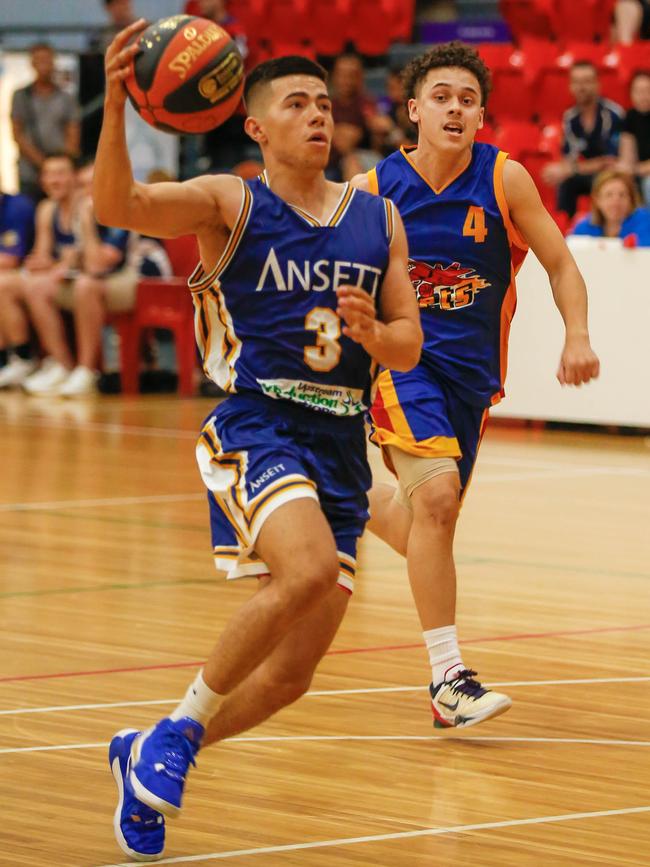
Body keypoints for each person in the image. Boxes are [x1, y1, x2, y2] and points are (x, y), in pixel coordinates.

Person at [96, 21, 421, 861]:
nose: (318, 115)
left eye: (324, 103)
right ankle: (175, 730)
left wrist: (376, 337)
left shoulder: (378, 217)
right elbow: (117, 208)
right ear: (256, 126)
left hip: (341, 437)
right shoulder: (230, 200)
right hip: (256, 419)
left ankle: (154, 747)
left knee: (289, 678)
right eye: (297, 104)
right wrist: (113, 102)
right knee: (308, 569)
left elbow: (407, 341)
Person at [351, 42, 600, 730]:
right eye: (441, 97)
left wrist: (576, 334)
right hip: (402, 366)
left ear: (483, 115)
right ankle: (448, 677)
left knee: (430, 521)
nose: (454, 108)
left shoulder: (503, 179)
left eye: (467, 98)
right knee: (437, 500)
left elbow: (561, 264)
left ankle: (345, 497)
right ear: (414, 111)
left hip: (472, 381)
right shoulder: (373, 191)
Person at [22, 160, 139, 397]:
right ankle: (63, 366)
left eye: (92, 186)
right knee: (36, 288)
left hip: (136, 280)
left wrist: (85, 222)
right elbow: (76, 261)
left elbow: (97, 266)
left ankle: (87, 370)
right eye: (84, 186)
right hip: (98, 279)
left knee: (86, 286)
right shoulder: (63, 209)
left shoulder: (117, 210)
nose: (87, 193)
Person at [0, 153, 80, 393]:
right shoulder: (46, 208)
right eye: (48, 174)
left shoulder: (86, 206)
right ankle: (17, 359)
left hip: (86, 277)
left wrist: (52, 266)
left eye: (60, 173)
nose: (53, 181)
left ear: (74, 176)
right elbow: (41, 254)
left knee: (23, 285)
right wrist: (40, 262)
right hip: (59, 275)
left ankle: (60, 364)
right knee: (5, 284)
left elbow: (82, 255)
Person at [541, 61, 624, 218]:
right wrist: (562, 169)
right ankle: (563, 230)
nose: (581, 87)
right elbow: (568, 158)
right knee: (565, 182)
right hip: (585, 172)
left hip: (611, 175)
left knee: (600, 181)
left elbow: (611, 161)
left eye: (587, 81)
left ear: (597, 84)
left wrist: (572, 169)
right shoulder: (570, 118)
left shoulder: (613, 115)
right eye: (577, 82)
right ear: (570, 86)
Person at [10, 43, 80, 202]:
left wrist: (64, 163)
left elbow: (73, 131)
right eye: (39, 60)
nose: (43, 65)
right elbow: (17, 133)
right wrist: (43, 164)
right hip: (30, 172)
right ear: (32, 63)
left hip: (60, 169)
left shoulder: (65, 97)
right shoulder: (21, 96)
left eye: (47, 60)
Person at [0, 190, 36, 387]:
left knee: (1, 284)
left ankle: (21, 357)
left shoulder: (17, 207)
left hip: (27, 272)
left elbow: (10, 259)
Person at [568, 168, 650, 245]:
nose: (616, 201)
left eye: (622, 195)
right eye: (609, 195)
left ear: (631, 200)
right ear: (597, 200)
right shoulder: (584, 227)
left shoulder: (645, 222)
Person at [618, 71, 650, 206]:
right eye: (638, 91)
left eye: (647, 90)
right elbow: (626, 153)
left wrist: (639, 169)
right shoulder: (630, 117)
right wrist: (626, 169)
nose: (643, 96)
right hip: (639, 171)